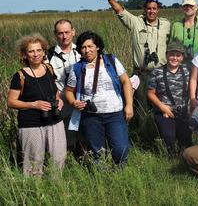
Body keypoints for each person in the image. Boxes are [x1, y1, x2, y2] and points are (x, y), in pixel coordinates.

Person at [100, 0, 170, 148]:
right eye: (148, 8)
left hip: (161, 72)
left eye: (154, 8)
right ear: (144, 10)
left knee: (161, 107)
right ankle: (142, 141)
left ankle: (162, 139)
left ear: (158, 9)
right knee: (141, 109)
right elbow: (120, 11)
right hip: (142, 74)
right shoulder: (136, 22)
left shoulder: (166, 25)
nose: (151, 11)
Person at [65, 31, 134, 165]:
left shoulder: (111, 60)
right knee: (97, 152)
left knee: (121, 149)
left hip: (115, 113)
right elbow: (68, 90)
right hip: (91, 116)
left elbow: (126, 81)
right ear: (80, 50)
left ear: (97, 47)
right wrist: (73, 102)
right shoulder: (77, 68)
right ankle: (102, 177)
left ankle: (120, 174)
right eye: (83, 47)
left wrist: (129, 105)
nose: (87, 50)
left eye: (90, 46)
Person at [7, 33, 66, 176]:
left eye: (39, 50)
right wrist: (34, 105)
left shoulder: (49, 68)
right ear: (24, 55)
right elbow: (11, 102)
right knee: (34, 161)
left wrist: (60, 100)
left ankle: (57, 188)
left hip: (55, 120)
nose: (35, 54)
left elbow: (55, 91)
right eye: (31, 51)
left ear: (44, 51)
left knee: (59, 157)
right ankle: (35, 191)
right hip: (31, 123)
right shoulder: (20, 75)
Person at [147, 41, 191, 154]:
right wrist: (162, 107)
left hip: (183, 112)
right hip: (164, 112)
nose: (174, 58)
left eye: (178, 55)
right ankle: (169, 156)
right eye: (171, 54)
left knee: (186, 142)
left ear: (182, 57)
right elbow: (150, 93)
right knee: (169, 137)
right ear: (166, 55)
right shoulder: (156, 72)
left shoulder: (188, 70)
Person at [48, 19, 83, 156]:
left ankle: (84, 162)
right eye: (60, 33)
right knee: (65, 139)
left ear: (73, 32)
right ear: (55, 34)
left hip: (81, 101)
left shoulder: (83, 50)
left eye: (67, 32)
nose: (64, 36)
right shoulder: (48, 55)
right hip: (62, 103)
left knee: (84, 136)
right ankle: (67, 164)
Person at [170, 0, 198, 66]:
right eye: (185, 6)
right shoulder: (176, 25)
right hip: (180, 64)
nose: (188, 8)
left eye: (191, 6)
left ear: (196, 7)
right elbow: (171, 46)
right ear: (182, 8)